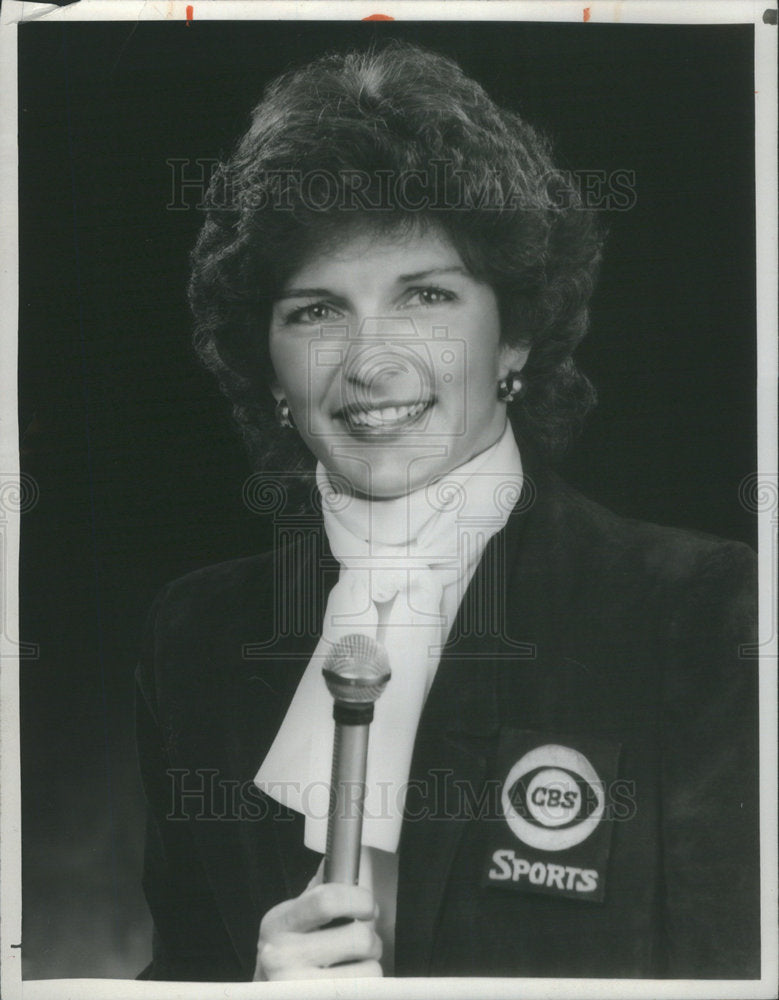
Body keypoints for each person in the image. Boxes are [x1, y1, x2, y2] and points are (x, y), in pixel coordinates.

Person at [135, 41, 759, 982]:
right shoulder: (196, 635)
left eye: (425, 296)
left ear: (514, 334)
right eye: (315, 311)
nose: (370, 363)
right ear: (267, 366)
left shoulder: (704, 611)